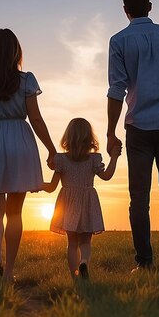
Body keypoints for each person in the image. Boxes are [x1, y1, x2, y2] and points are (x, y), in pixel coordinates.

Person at [107, 0, 159, 271]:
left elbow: (116, 89)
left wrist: (110, 131)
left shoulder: (119, 41)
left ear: (125, 10)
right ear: (150, 7)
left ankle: (144, 261)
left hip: (138, 125)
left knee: (139, 196)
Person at [0, 28, 56, 281]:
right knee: (15, 213)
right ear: (17, 51)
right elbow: (36, 118)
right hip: (20, 140)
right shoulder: (26, 80)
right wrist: (50, 148)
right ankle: (9, 272)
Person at [42, 118, 122, 279]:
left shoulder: (61, 160)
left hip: (68, 205)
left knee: (71, 243)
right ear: (89, 139)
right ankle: (84, 261)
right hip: (88, 202)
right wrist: (114, 157)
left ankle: (75, 275)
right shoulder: (93, 159)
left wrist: (36, 184)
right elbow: (106, 176)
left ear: (67, 138)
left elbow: (51, 187)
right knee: (85, 242)